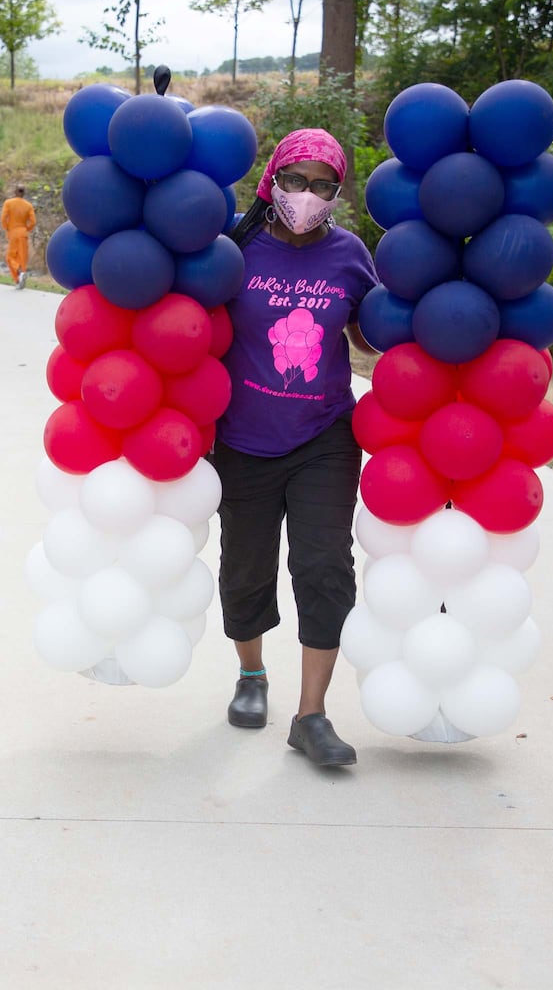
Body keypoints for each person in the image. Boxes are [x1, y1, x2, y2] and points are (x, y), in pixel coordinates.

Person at [214, 128, 378, 768]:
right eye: (294, 180)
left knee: (323, 565)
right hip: (243, 436)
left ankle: (311, 716)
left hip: (324, 435)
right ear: (271, 180)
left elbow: (370, 337)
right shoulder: (235, 245)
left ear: (337, 192)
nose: (306, 195)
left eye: (321, 185)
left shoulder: (349, 254)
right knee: (246, 566)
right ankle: (252, 676)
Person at [0, 184, 36, 289]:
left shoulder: (8, 203)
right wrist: (26, 229)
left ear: (15, 192)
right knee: (22, 257)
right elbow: (33, 221)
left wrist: (7, 228)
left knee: (10, 257)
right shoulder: (28, 205)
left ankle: (18, 274)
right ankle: (22, 276)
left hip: (13, 232)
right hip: (23, 233)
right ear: (24, 193)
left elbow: (3, 218)